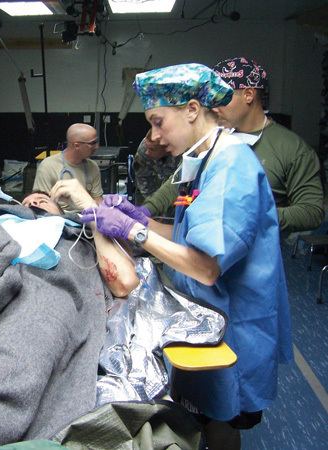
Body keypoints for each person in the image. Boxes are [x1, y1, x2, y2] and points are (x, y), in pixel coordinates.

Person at [80, 63, 293, 450]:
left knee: (222, 419)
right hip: (209, 314)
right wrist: (137, 216)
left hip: (235, 321)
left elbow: (206, 266)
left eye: (159, 122)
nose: (156, 137)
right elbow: (187, 238)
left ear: (192, 109)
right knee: (207, 411)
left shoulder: (232, 165)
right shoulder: (203, 161)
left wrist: (133, 231)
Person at [142, 56, 324, 235]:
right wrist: (145, 211)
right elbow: (179, 182)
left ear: (248, 95)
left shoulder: (291, 149)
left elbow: (312, 212)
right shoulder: (211, 141)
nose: (213, 104)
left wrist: (255, 215)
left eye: (223, 96)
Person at [0, 184, 139, 298]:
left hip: (50, 305)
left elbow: (124, 283)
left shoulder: (81, 231)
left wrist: (93, 214)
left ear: (61, 211)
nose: (34, 204)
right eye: (27, 203)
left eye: (42, 201)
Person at [32, 123, 103, 212]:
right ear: (76, 145)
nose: (97, 147)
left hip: (87, 216)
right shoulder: (48, 166)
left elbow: (98, 201)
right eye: (92, 143)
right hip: (58, 218)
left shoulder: (92, 166)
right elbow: (40, 203)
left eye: (96, 142)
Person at [133, 128, 178, 212]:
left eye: (152, 149)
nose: (147, 152)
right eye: (147, 147)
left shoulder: (182, 151)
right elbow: (143, 180)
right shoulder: (144, 149)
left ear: (166, 148)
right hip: (155, 188)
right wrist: (153, 208)